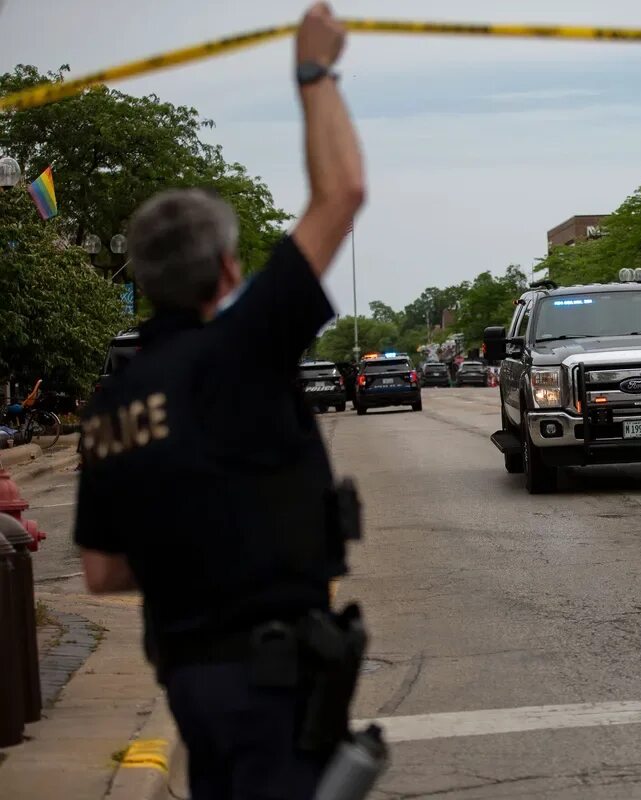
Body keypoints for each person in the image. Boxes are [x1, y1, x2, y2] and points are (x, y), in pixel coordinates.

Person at [73, 5, 366, 799]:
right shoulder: (243, 348)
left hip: (187, 679)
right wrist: (316, 72)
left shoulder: (107, 407)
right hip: (271, 676)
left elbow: (100, 572)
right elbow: (341, 194)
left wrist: (191, 559)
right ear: (230, 273)